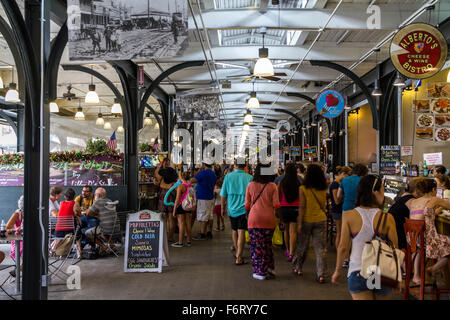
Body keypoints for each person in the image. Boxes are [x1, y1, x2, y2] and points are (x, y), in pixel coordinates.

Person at [331, 175, 399, 300]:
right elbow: (395, 249)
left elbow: (343, 247)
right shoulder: (387, 218)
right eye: (383, 190)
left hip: (358, 271)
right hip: (381, 273)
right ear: (375, 192)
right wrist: (397, 276)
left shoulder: (349, 215)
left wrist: (337, 271)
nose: (384, 194)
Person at [292, 164, 328, 283]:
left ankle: (298, 268)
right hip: (320, 220)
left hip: (307, 220)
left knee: (303, 246)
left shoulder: (303, 189)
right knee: (319, 249)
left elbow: (302, 207)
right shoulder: (323, 188)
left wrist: (300, 223)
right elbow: (323, 206)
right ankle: (321, 274)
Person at [245, 164, 280, 280]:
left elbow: (247, 204)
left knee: (256, 246)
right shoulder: (273, 186)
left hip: (254, 219)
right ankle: (270, 268)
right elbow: (276, 205)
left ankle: (260, 271)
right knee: (267, 245)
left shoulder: (251, 185)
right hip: (269, 219)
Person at [221, 160, 253, 265]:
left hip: (231, 208)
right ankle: (239, 257)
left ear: (235, 165)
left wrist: (222, 208)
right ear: (245, 166)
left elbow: (223, 194)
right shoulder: (249, 178)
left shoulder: (228, 177)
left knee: (234, 230)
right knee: (242, 231)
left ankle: (237, 252)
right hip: (244, 209)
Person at [84, 188, 119, 254]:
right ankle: (112, 246)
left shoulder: (98, 202)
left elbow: (89, 213)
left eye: (95, 195)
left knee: (88, 233)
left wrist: (87, 211)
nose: (94, 196)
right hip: (116, 228)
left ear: (99, 195)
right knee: (102, 232)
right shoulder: (109, 200)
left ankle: (104, 248)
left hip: (106, 229)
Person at [278, 163, 301, 262]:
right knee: (293, 232)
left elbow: (278, 197)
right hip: (296, 208)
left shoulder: (281, 182)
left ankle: (287, 250)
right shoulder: (298, 183)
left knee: (286, 231)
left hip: (284, 208)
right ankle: (292, 253)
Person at [388, 178, 418, 251]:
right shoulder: (411, 200)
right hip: (401, 237)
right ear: (417, 190)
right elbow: (419, 216)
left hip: (392, 233)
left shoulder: (403, 196)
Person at [155, 158, 179, 242]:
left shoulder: (161, 178)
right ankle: (171, 237)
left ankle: (163, 236)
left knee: (163, 217)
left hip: (162, 197)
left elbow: (156, 174)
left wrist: (159, 167)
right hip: (171, 197)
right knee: (171, 218)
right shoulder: (173, 180)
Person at [191, 162, 217, 240]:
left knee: (203, 216)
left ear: (204, 165)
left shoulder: (203, 173)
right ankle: (209, 232)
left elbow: (193, 180)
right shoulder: (213, 174)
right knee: (210, 216)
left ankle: (202, 234)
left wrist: (198, 171)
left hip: (203, 197)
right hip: (211, 196)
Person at [53, 188, 82, 257]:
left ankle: (54, 251)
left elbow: (64, 213)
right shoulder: (75, 203)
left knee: (72, 221)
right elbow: (79, 214)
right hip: (70, 231)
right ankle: (79, 252)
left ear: (64, 196)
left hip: (58, 231)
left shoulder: (61, 203)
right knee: (79, 234)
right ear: (74, 196)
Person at [329, 166, 351, 252]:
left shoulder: (339, 183)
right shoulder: (335, 184)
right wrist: (345, 196)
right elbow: (337, 201)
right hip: (337, 211)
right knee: (339, 233)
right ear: (343, 174)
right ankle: (339, 251)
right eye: (348, 175)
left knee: (341, 232)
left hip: (339, 210)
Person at [171, 172, 194, 247]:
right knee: (188, 223)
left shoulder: (180, 186)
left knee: (181, 224)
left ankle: (180, 242)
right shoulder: (190, 186)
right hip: (188, 206)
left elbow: (177, 199)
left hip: (181, 206)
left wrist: (174, 210)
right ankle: (188, 241)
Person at [6, 195, 24, 261]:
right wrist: (15, 229)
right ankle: (20, 267)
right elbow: (6, 229)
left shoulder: (36, 213)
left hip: (31, 237)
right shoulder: (17, 214)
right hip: (19, 238)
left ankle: (21, 267)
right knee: (22, 248)